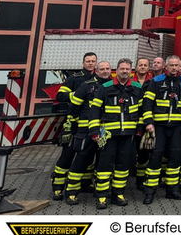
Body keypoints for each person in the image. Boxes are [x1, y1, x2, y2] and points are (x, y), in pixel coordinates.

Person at [88, 58, 142, 209]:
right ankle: (101, 197)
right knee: (105, 165)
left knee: (123, 166)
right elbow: (94, 110)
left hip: (128, 134)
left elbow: (142, 109)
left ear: (131, 71)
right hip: (108, 134)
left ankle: (118, 194)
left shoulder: (137, 88)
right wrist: (94, 131)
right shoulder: (105, 87)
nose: (125, 71)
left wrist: (140, 128)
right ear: (116, 70)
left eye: (128, 69)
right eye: (122, 69)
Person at [140, 55, 181, 204]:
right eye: (171, 65)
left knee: (175, 158)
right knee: (155, 158)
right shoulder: (155, 82)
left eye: (176, 65)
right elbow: (147, 103)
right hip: (159, 127)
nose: (174, 68)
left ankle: (172, 190)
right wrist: (148, 122)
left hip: (177, 127)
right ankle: (150, 192)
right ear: (166, 67)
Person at [50, 51, 97, 200]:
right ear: (83, 63)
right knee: (67, 156)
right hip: (74, 125)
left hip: (90, 125)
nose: (90, 63)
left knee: (87, 157)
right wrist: (78, 94)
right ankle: (57, 187)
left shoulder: (99, 79)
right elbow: (60, 96)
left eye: (93, 61)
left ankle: (85, 183)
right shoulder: (74, 79)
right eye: (88, 61)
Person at [64, 60, 110, 205]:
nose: (105, 71)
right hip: (86, 131)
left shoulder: (112, 86)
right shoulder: (86, 86)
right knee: (81, 160)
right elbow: (74, 107)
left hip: (105, 131)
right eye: (102, 69)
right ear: (96, 70)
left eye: (107, 69)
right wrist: (78, 123)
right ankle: (71, 192)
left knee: (102, 162)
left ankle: (100, 190)